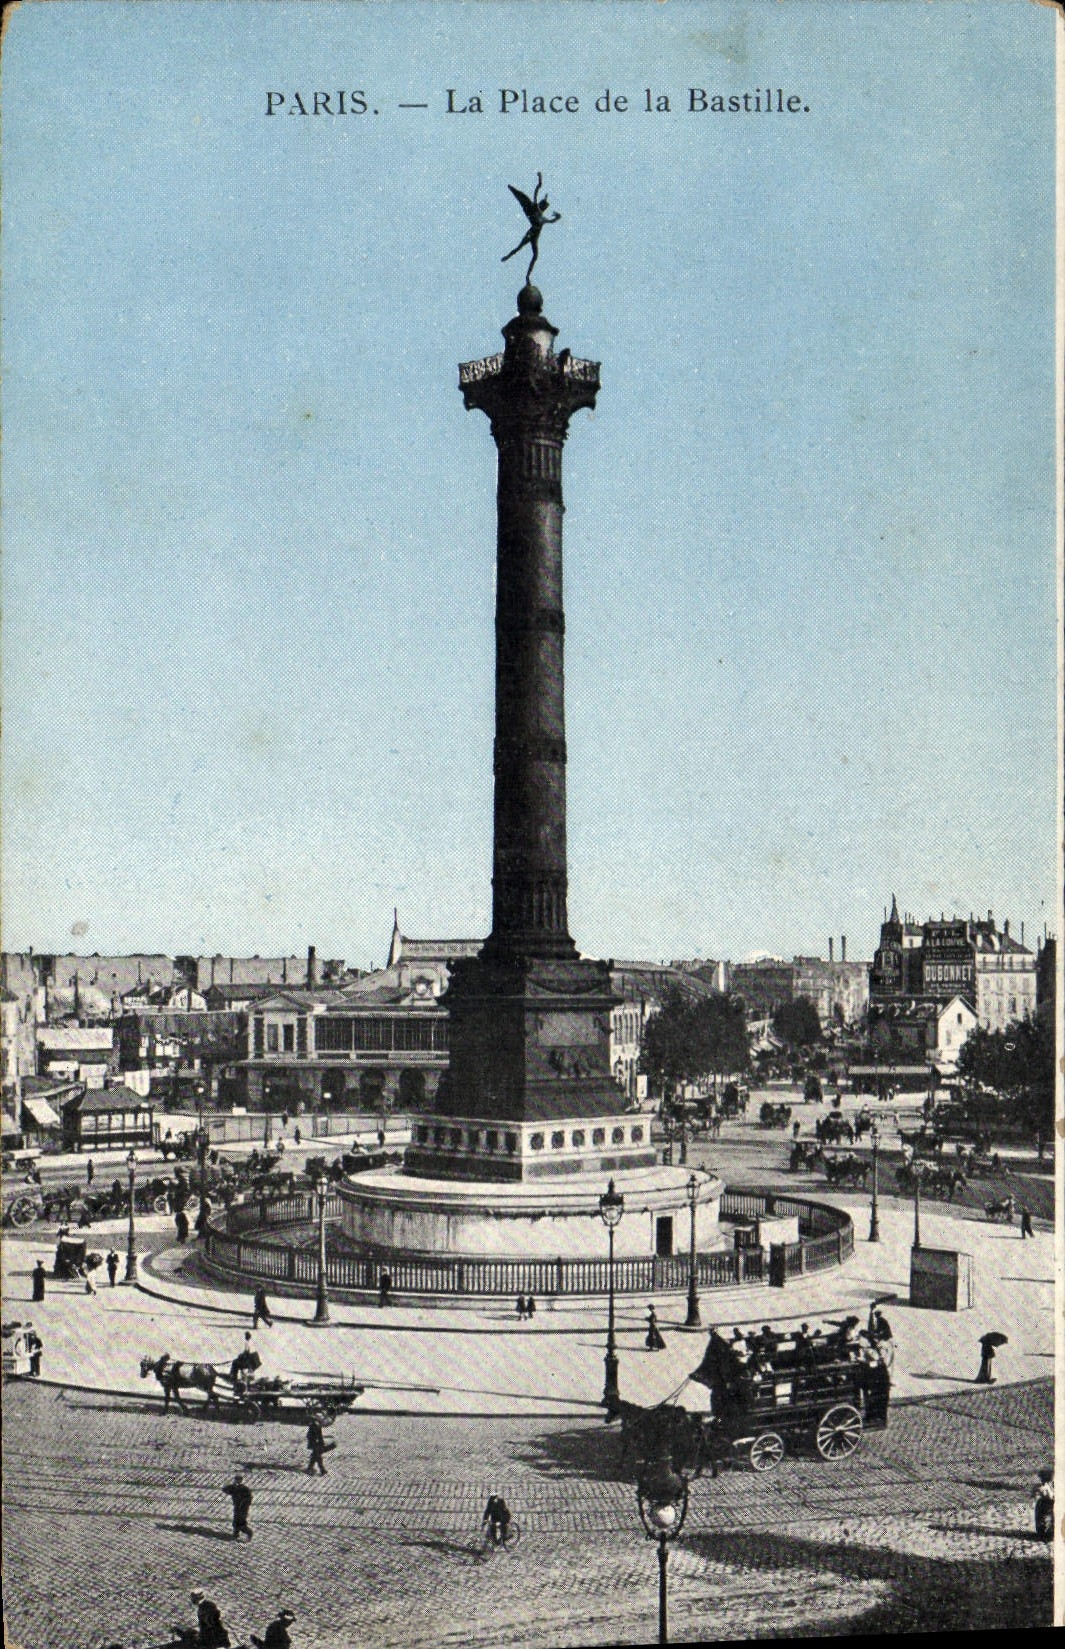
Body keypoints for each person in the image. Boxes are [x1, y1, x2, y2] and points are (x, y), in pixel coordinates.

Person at [223, 1472, 253, 1540]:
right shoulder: (234, 1488)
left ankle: (249, 1533)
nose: (237, 1481)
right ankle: (235, 1534)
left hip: (243, 1509)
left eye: (238, 1480)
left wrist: (243, 1504)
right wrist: (232, 1485)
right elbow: (225, 1489)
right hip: (237, 1507)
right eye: (236, 1480)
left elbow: (249, 1498)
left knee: (241, 1522)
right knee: (235, 1521)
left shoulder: (244, 1489)